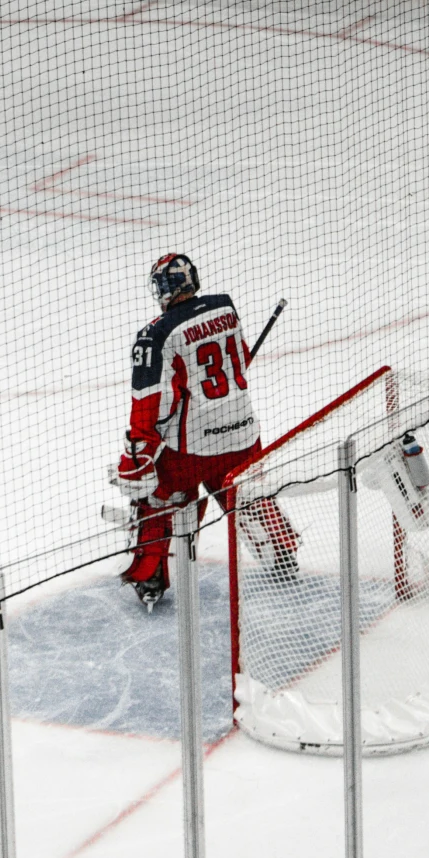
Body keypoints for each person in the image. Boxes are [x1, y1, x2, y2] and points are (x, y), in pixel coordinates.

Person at [115, 254, 294, 611]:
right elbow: (239, 359)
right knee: (246, 495)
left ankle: (150, 575)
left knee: (158, 498)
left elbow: (152, 405)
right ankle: (280, 550)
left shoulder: (156, 335)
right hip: (245, 435)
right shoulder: (225, 309)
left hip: (192, 450)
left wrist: (138, 457)